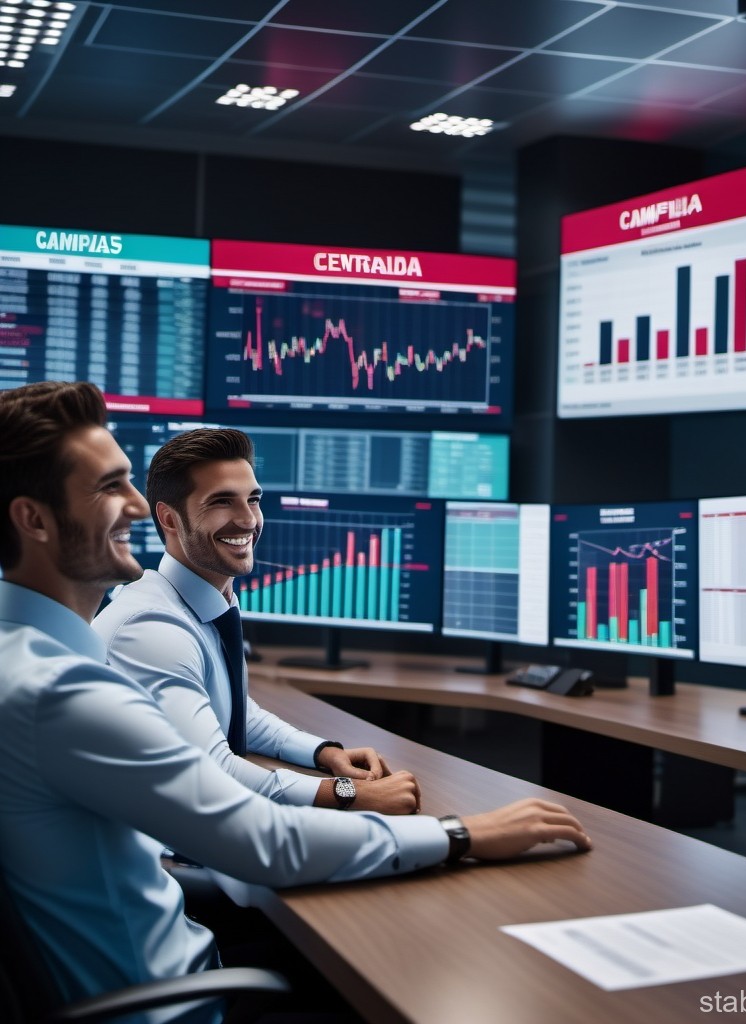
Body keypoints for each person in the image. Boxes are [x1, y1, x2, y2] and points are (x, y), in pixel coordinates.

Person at [0, 381, 591, 1021]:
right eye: (109, 487)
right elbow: (263, 844)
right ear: (33, 520)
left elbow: (232, 722)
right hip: (179, 1003)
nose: (139, 506)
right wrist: (463, 832)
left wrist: (322, 752)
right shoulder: (62, 692)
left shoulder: (34, 658)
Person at [94, 427, 417, 816]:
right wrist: (347, 792)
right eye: (222, 502)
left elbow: (231, 712)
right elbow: (213, 772)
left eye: (253, 499)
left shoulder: (205, 600)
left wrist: (324, 752)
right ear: (170, 519)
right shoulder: (149, 629)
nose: (248, 520)